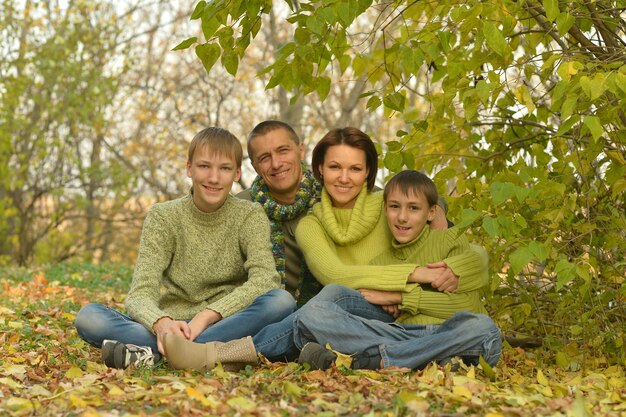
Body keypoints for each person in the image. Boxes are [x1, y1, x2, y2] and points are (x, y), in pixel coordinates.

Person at [163, 127, 483, 369]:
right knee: (321, 305)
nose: (344, 178)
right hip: (356, 315)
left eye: (355, 169)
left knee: (481, 329)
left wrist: (408, 289)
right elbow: (334, 274)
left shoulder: (391, 208)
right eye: (334, 168)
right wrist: (414, 275)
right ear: (319, 170)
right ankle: (214, 352)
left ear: (368, 172)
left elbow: (469, 253)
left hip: (416, 315)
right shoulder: (309, 223)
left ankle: (366, 358)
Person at [74, 127, 295, 370]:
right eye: (204, 166)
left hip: (227, 321)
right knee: (90, 317)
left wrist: (206, 316)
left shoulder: (250, 215)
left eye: (224, 168)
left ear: (237, 173)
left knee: (281, 301)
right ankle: (201, 352)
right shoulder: (163, 216)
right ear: (189, 168)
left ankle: (158, 354)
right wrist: (162, 323)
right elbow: (140, 293)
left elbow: (265, 280)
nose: (213, 178)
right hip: (172, 326)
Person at [294, 170, 501, 370]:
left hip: (450, 331)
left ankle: (369, 359)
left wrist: (400, 297)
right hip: (399, 333)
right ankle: (427, 358)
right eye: (395, 206)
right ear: (385, 209)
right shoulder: (380, 264)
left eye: (413, 208)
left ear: (431, 212)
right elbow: (367, 301)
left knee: (483, 329)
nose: (402, 217)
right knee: (312, 314)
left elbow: (465, 304)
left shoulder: (450, 239)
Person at [236, 121, 322, 305]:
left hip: (327, 310)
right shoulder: (241, 208)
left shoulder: (332, 193)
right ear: (254, 166)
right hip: (269, 312)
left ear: (301, 150)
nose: (276, 164)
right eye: (265, 158)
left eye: (283, 151)